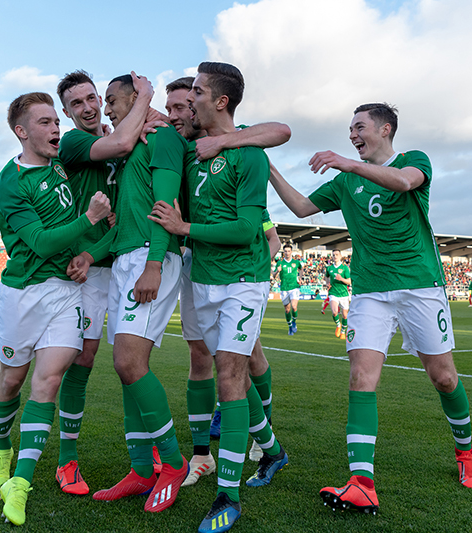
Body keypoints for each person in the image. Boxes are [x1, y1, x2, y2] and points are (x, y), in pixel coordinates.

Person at [267, 102, 472, 515]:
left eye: (359, 127)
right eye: (349, 128)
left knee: (443, 377)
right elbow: (300, 207)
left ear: (385, 129)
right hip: (369, 292)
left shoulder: (414, 161)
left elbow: (403, 183)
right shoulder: (348, 181)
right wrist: (267, 167)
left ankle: (465, 454)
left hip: (420, 287)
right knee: (361, 377)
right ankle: (361, 482)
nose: (352, 134)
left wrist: (347, 163)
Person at [150, 62, 288, 533]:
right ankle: (271, 449)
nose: (191, 98)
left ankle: (226, 496)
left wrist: (183, 227)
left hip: (243, 280)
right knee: (232, 377)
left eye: (198, 91)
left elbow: (249, 227)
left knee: (230, 375)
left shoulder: (248, 153)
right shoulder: (189, 149)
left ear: (220, 101)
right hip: (202, 280)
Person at [0, 92, 111, 526]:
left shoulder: (58, 163)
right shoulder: (8, 183)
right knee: (10, 382)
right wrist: (90, 221)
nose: (55, 128)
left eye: (55, 120)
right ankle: (3, 447)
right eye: (44, 122)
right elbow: (39, 241)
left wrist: (85, 254)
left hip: (64, 292)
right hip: (23, 294)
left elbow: (66, 222)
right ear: (22, 132)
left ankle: (19, 483)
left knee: (49, 381)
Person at [67, 74, 188, 512]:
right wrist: (94, 255)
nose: (109, 109)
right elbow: (121, 220)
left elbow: (165, 207)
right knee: (125, 370)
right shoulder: (134, 142)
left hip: (149, 258)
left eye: (113, 100)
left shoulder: (162, 139)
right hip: (122, 260)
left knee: (128, 361)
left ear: (135, 99)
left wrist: (155, 262)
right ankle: (140, 470)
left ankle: (173, 464)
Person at [53, 69, 154, 496]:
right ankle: (66, 461)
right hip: (91, 269)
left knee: (133, 361)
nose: (89, 107)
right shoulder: (75, 142)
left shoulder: (121, 129)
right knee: (84, 358)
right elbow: (121, 143)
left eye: (92, 98)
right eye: (77, 104)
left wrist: (147, 117)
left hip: (127, 259)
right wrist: (144, 103)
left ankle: (145, 460)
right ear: (67, 112)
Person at [274, 243, 303, 335]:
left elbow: (301, 269)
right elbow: (274, 276)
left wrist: (300, 277)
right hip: (284, 288)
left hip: (294, 287)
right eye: (285, 251)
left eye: (289, 251)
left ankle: (294, 321)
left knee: (294, 307)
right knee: (287, 310)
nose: (287, 253)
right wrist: (277, 271)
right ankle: (290, 326)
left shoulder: (296, 262)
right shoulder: (280, 263)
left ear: (291, 252)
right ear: (283, 252)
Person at [325, 249, 351, 339]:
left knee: (345, 315)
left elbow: (349, 281)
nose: (335, 256)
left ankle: (343, 331)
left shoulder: (345, 268)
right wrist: (327, 283)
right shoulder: (329, 268)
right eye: (333, 255)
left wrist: (341, 279)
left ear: (340, 256)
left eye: (336, 254)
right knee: (335, 311)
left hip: (344, 294)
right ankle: (338, 325)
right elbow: (326, 276)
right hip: (333, 293)